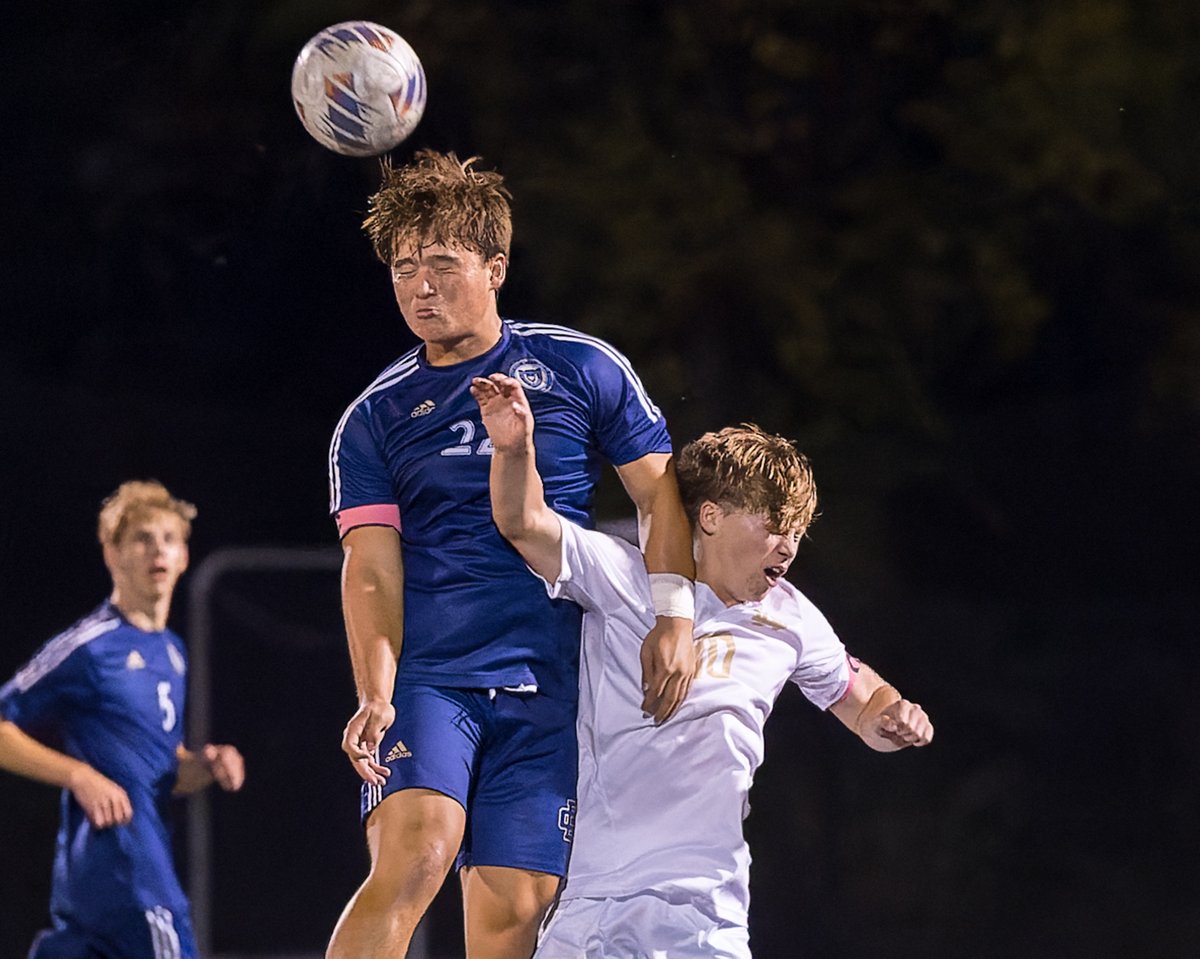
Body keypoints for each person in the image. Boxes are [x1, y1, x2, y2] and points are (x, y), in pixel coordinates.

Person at [325, 149, 697, 959]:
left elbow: (660, 493)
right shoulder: (374, 418)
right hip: (433, 679)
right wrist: (376, 691)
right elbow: (371, 566)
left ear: (495, 267)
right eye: (402, 268)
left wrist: (675, 614)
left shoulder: (581, 366)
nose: (418, 286)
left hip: (552, 684)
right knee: (417, 853)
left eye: (441, 264)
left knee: (516, 914)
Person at [471, 373, 935, 959]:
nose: (788, 545)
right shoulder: (625, 575)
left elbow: (864, 698)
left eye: (796, 532)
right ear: (710, 517)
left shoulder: (790, 617)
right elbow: (523, 522)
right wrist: (513, 448)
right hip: (597, 899)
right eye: (773, 525)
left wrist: (894, 718)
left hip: (705, 910)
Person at [0, 480, 245, 959]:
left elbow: (160, 769)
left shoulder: (172, 653)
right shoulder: (90, 646)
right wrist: (79, 774)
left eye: (168, 539)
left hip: (105, 888)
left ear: (183, 557)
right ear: (112, 553)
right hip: (131, 878)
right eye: (142, 538)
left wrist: (206, 765)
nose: (157, 549)